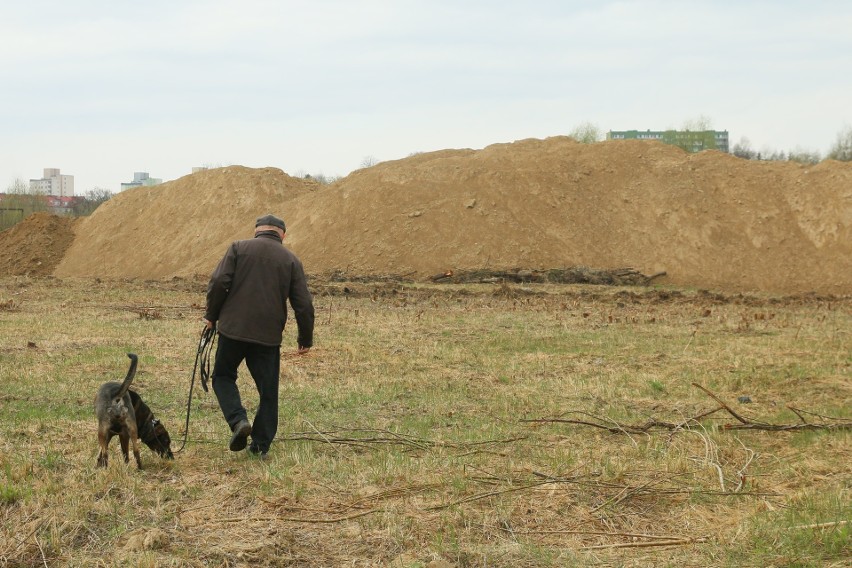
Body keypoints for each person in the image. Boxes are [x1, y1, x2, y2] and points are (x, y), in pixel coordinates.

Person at [203, 213, 314, 459]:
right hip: (267, 336)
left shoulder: (238, 248)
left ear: (257, 230)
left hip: (232, 330)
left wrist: (211, 315)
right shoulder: (291, 260)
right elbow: (304, 303)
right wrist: (305, 339)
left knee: (222, 376)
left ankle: (238, 420)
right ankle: (260, 445)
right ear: (281, 234)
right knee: (268, 391)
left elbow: (219, 280)